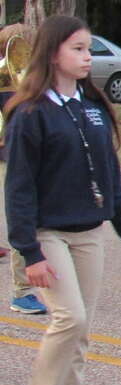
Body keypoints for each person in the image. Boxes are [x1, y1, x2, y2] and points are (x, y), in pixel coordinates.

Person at [6, 15, 121, 385]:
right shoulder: (30, 114)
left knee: (81, 330)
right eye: (78, 49)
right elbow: (18, 189)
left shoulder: (92, 108)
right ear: (53, 54)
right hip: (48, 233)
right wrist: (29, 252)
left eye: (89, 49)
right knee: (68, 318)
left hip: (89, 233)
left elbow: (110, 182)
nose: (88, 57)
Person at [0, 23, 47, 316]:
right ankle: (21, 292)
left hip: (27, 158)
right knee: (23, 220)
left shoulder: (31, 82)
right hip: (10, 159)